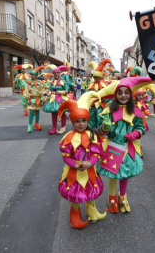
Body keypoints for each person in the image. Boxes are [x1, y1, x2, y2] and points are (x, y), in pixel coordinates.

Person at [95, 76, 155, 214]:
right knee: (112, 174)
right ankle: (112, 197)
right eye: (119, 93)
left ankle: (123, 196)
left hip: (128, 147)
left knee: (125, 173)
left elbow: (141, 128)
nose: (123, 95)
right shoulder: (109, 110)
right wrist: (105, 128)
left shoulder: (135, 111)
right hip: (113, 146)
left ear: (130, 95)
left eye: (126, 93)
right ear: (115, 95)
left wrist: (136, 134)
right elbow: (101, 129)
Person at [57, 92, 107, 229]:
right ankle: (75, 216)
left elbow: (97, 154)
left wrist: (90, 163)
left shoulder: (92, 135)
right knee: (75, 194)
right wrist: (75, 165)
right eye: (77, 121)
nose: (80, 124)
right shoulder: (69, 137)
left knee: (90, 192)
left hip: (90, 170)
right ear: (72, 122)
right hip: (73, 172)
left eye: (83, 121)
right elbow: (66, 156)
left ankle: (92, 212)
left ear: (87, 121)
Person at [43, 66, 69, 135]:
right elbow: (49, 90)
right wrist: (47, 93)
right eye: (55, 73)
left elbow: (67, 91)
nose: (56, 74)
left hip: (61, 99)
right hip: (53, 99)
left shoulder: (63, 81)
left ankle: (63, 127)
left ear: (59, 73)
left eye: (57, 72)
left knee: (62, 113)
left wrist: (60, 92)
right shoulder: (52, 82)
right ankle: (54, 128)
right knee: (53, 114)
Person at [87, 59, 112, 129]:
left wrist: (101, 99)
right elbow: (88, 94)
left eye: (97, 78)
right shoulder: (91, 84)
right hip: (92, 105)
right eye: (94, 77)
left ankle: (100, 130)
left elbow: (108, 95)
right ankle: (91, 129)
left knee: (99, 117)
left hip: (101, 105)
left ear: (101, 77)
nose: (96, 79)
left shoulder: (104, 85)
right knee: (91, 116)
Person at [23, 65, 46, 133]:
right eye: (31, 74)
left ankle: (37, 124)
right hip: (31, 100)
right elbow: (26, 91)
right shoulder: (28, 83)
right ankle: (30, 125)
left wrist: (43, 101)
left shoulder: (40, 83)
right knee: (31, 112)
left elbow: (43, 92)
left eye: (32, 75)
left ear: (36, 75)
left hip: (38, 100)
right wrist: (28, 100)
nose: (31, 76)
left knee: (38, 112)